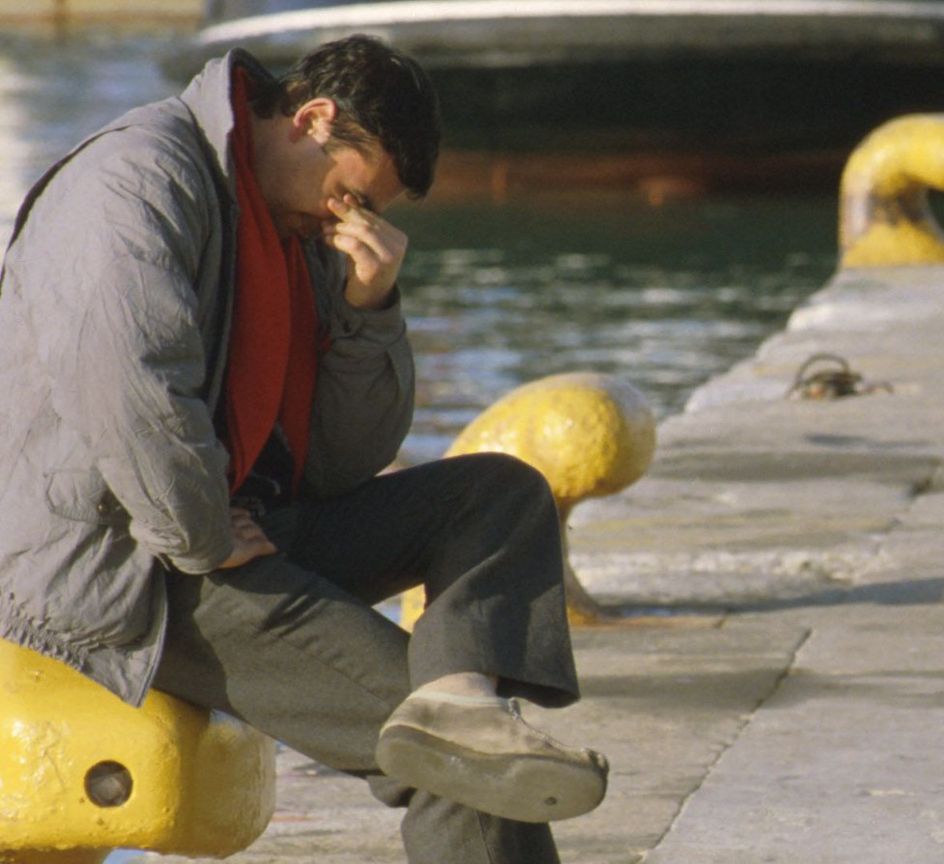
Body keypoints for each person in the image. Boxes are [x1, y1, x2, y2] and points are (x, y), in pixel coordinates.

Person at [0, 34, 606, 863]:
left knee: (498, 498)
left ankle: (459, 695)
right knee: (457, 765)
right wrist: (204, 532)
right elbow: (129, 389)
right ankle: (451, 728)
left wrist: (367, 308)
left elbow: (338, 463)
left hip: (239, 524)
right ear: (313, 119)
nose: (348, 218)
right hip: (130, 568)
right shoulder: (134, 183)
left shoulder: (293, 224)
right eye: (350, 194)